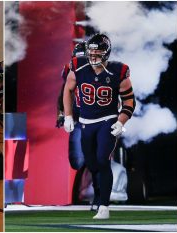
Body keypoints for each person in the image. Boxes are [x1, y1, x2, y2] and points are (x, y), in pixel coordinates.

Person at [63, 34, 135, 219]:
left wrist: (121, 121)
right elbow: (68, 90)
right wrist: (68, 116)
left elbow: (129, 101)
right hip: (86, 122)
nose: (94, 56)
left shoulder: (118, 71)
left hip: (107, 120)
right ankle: (97, 194)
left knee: (103, 159)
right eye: (91, 52)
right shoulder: (78, 66)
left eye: (98, 52)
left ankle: (104, 205)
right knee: (91, 162)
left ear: (106, 53)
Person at [56, 42, 86, 171]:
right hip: (79, 118)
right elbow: (63, 94)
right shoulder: (69, 70)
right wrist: (62, 115)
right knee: (76, 161)